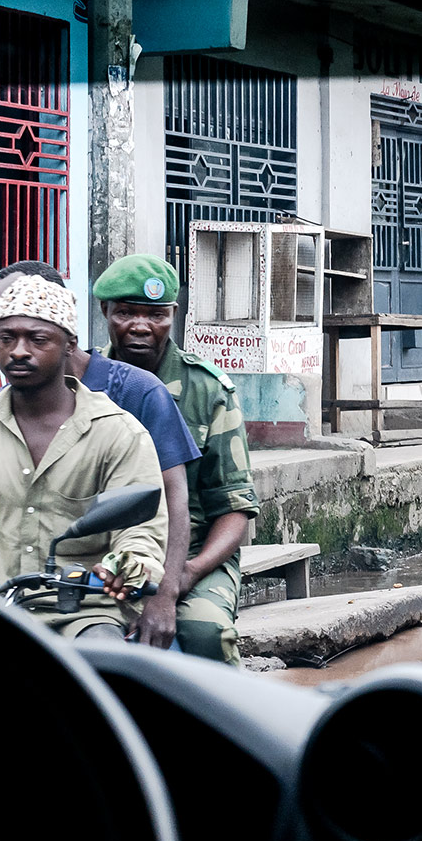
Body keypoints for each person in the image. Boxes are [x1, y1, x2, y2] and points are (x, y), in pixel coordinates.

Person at [0, 271, 167, 641]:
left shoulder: (118, 433)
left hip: (86, 613)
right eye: (6, 338)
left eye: (37, 339)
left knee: (107, 671)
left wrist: (127, 566)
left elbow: (140, 533)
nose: (19, 350)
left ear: (69, 345)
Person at [0, 260, 203, 651]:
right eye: (1, 331)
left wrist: (163, 593)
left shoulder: (137, 393)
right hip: (20, 594)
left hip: (110, 591)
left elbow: (171, 502)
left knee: (195, 644)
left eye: (32, 331)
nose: (15, 349)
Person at [94, 254, 263, 666]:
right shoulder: (85, 383)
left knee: (204, 631)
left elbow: (235, 510)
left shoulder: (207, 391)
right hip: (106, 549)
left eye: (155, 315)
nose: (140, 326)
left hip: (195, 552)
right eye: (126, 313)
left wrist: (182, 577)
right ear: (105, 312)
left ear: (173, 315)